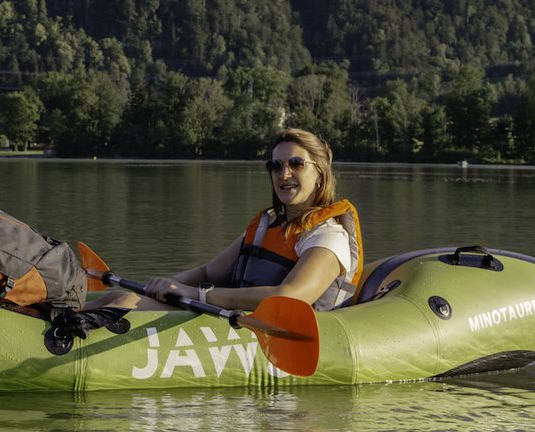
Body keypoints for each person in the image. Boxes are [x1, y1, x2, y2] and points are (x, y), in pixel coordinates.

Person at [105, 128, 362, 313]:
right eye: (275, 165)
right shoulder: (267, 226)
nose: (284, 174)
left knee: (123, 305)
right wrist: (164, 285)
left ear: (319, 173)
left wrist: (196, 294)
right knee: (122, 297)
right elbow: (208, 272)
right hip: (232, 318)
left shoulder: (329, 236)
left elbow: (290, 297)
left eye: (296, 164)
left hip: (277, 331)